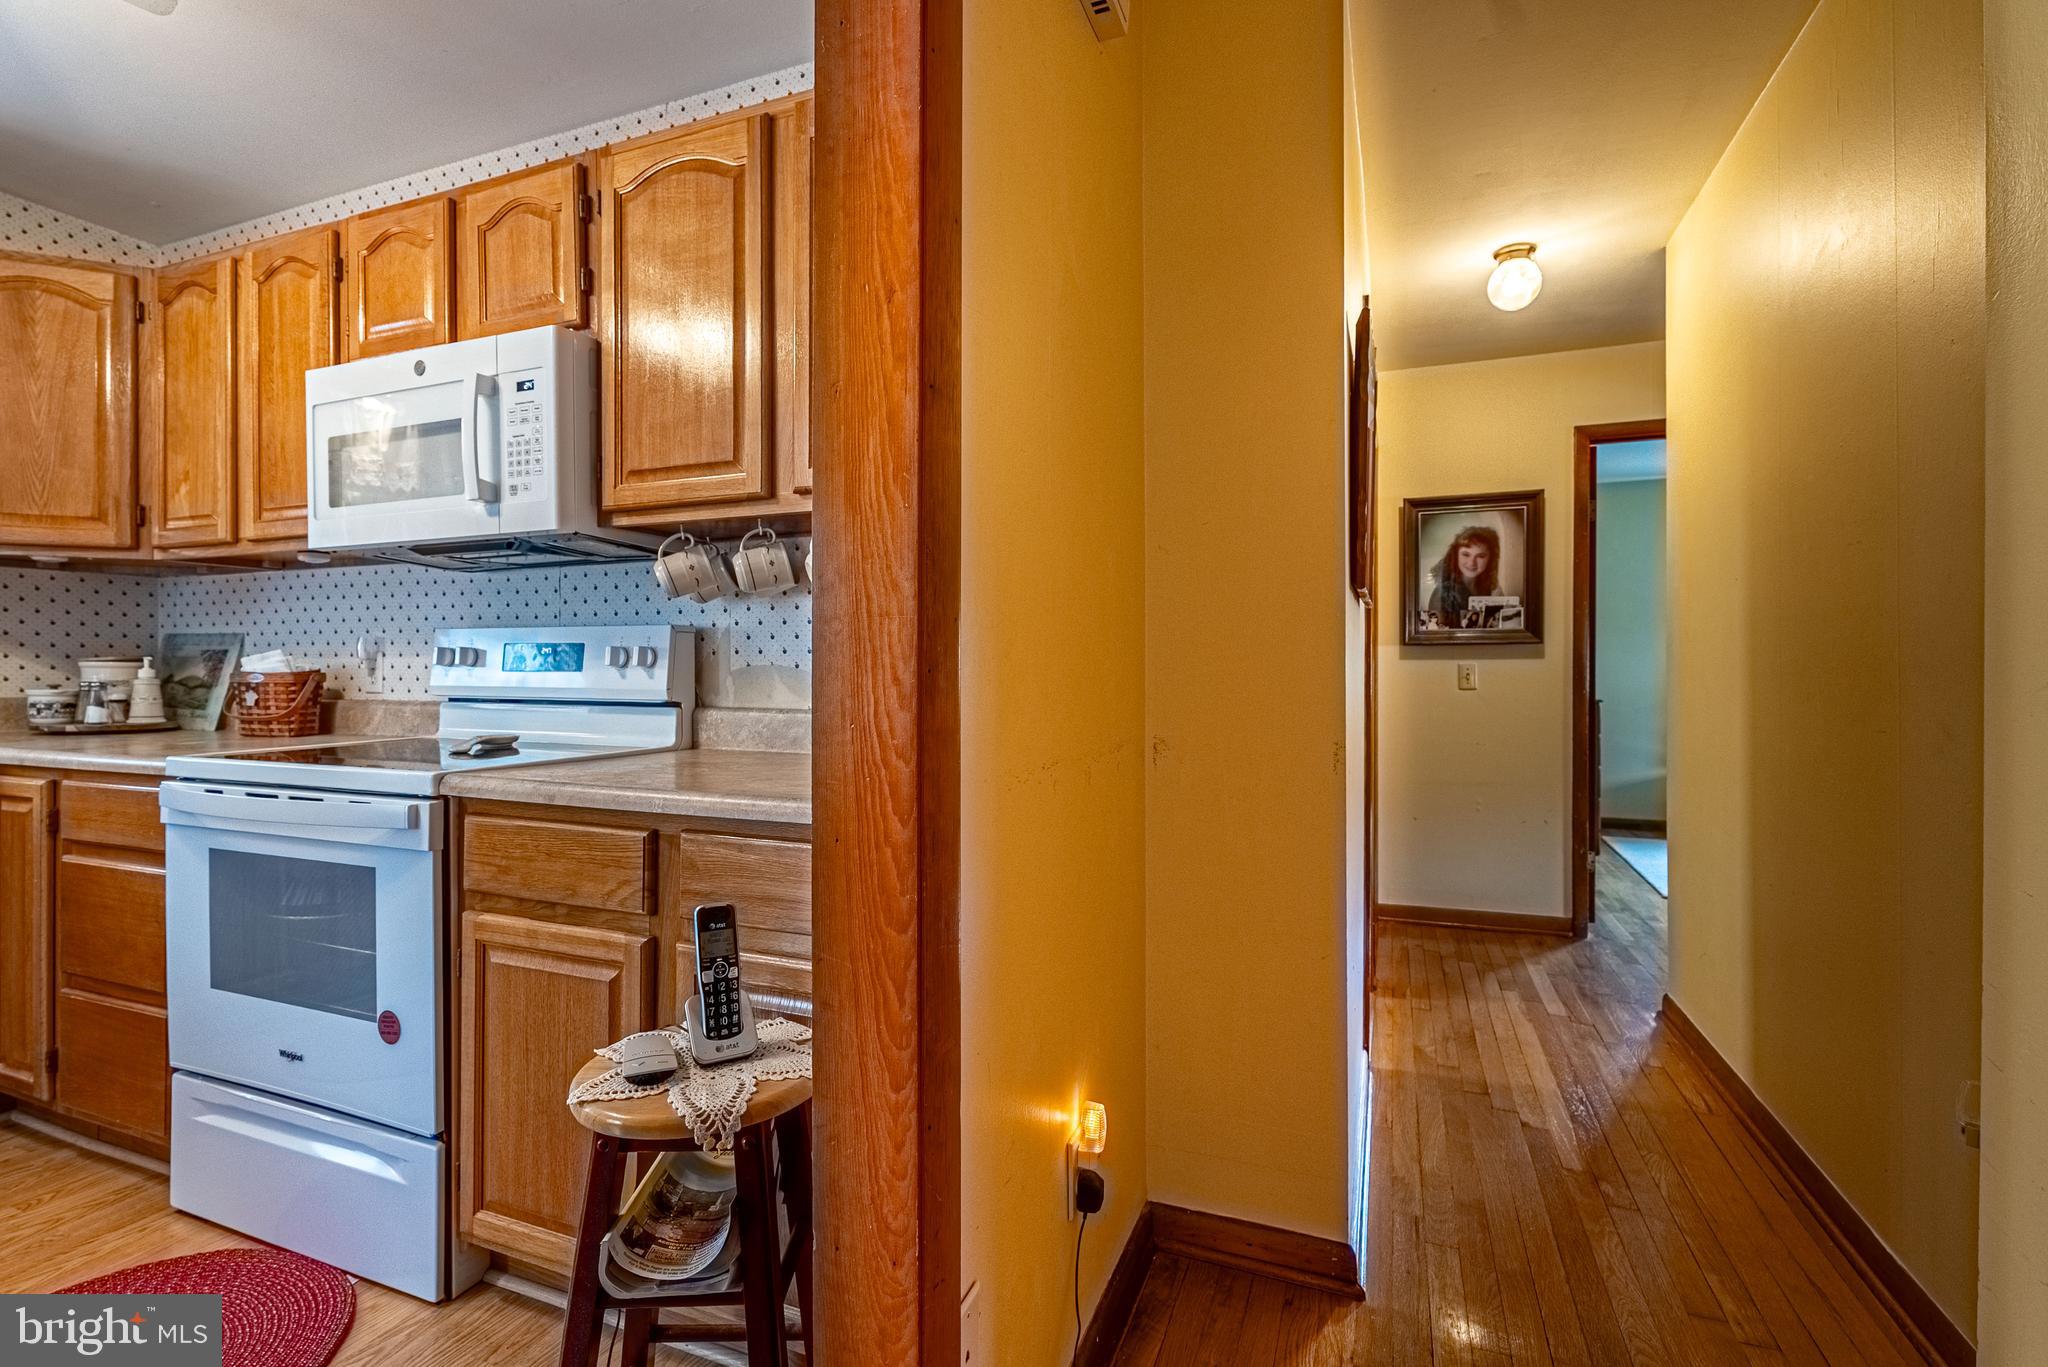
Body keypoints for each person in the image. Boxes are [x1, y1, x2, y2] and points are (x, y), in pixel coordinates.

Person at [1426, 524, 1502, 626]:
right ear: (1455, 555)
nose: (1472, 563)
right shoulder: (1441, 594)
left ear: (1490, 559)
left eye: (1481, 556)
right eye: (1466, 554)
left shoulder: (1493, 588)